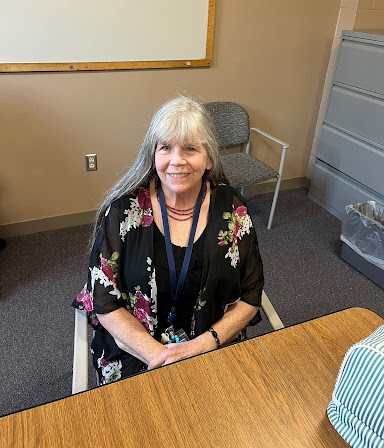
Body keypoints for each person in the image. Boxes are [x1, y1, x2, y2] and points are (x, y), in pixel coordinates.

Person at [72, 96, 264, 385]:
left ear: (209, 158)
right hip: (136, 351)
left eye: (190, 148)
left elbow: (251, 296)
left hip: (210, 347)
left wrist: (201, 346)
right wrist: (158, 356)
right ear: (153, 155)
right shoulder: (124, 213)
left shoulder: (233, 213)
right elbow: (104, 301)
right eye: (166, 148)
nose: (177, 160)